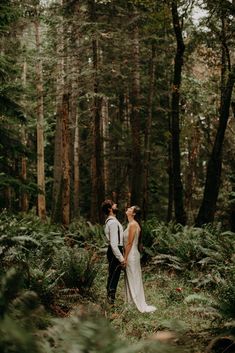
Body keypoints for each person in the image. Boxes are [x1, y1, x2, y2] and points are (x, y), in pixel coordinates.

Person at [124, 205, 156, 313]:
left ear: (133, 214)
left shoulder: (133, 224)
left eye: (130, 209)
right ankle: (131, 303)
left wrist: (125, 258)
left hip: (131, 255)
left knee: (133, 278)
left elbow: (129, 243)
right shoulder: (132, 224)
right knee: (132, 278)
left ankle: (135, 304)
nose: (128, 209)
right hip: (133, 254)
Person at [101, 199, 125, 304]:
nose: (116, 205)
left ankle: (109, 300)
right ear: (110, 209)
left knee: (112, 275)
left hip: (114, 250)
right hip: (115, 250)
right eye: (114, 204)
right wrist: (121, 258)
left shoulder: (112, 221)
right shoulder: (112, 223)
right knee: (114, 277)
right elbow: (114, 244)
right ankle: (110, 303)